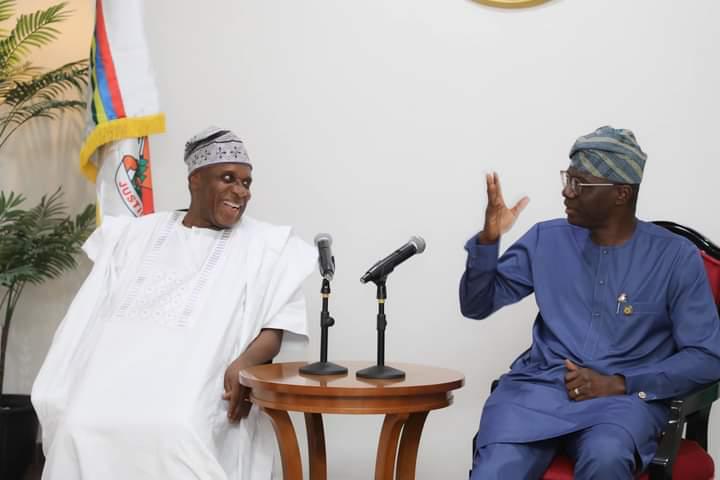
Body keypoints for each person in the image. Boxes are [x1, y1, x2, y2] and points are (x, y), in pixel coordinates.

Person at [32, 127, 316, 479]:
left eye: (246, 183)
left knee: (173, 430)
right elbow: (91, 314)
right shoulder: (134, 235)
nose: (240, 192)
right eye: (228, 179)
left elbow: (276, 326)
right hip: (112, 377)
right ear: (195, 179)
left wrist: (245, 362)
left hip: (196, 385)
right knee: (78, 425)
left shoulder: (267, 246)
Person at [460, 126, 720, 479]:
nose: (566, 192)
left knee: (607, 457)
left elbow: (707, 357)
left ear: (621, 193)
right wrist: (489, 241)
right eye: (568, 178)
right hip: (537, 395)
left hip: (620, 405)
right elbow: (476, 306)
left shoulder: (675, 257)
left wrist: (621, 382)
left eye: (580, 184)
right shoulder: (545, 240)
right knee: (495, 471)